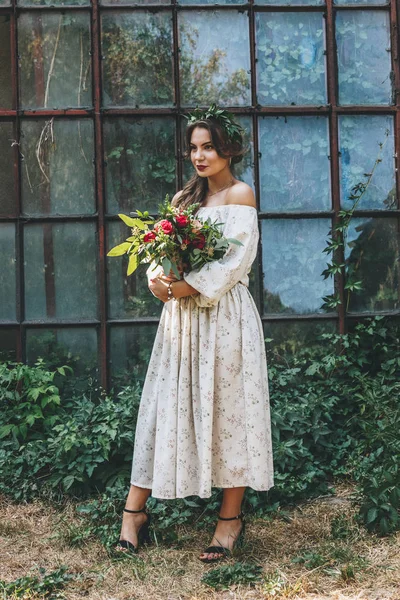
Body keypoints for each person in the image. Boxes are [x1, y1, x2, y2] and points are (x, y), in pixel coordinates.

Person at [115, 105, 274, 563]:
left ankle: (229, 522)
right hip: (182, 324)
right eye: (194, 148)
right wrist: (155, 277)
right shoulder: (185, 201)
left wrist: (184, 287)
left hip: (225, 319)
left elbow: (234, 264)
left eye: (208, 147)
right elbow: (157, 249)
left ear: (229, 149)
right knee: (164, 407)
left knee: (231, 410)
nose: (199, 156)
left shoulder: (241, 195)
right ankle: (133, 513)